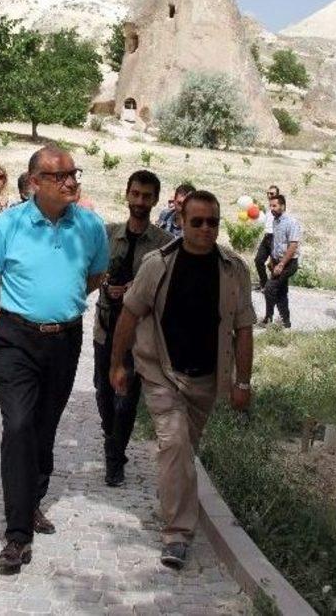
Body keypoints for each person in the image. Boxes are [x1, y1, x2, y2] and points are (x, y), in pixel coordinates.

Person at [0, 145, 109, 576]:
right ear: (36, 182)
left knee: (45, 425)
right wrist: (21, 309)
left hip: (65, 340)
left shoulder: (90, 225)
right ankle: (17, 536)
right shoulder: (8, 225)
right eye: (61, 176)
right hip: (16, 338)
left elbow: (95, 276)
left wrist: (60, 307)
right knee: (18, 425)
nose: (72, 181)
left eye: (75, 173)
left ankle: (32, 500)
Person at [109, 189, 255, 570]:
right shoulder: (158, 265)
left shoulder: (234, 269)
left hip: (207, 377)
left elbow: (244, 328)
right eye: (198, 222)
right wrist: (117, 364)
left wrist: (243, 382)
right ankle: (177, 533)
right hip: (161, 370)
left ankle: (179, 506)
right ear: (183, 222)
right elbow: (128, 315)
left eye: (213, 222)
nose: (206, 229)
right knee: (174, 444)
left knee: (185, 449)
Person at [94, 170, 172, 487]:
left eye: (147, 196)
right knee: (104, 393)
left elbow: (166, 291)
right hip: (105, 328)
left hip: (138, 335)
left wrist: (135, 293)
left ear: (154, 200)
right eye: (135, 194)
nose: (140, 201)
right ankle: (113, 442)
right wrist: (105, 284)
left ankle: (114, 460)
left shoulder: (164, 245)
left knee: (125, 399)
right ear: (127, 195)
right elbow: (91, 272)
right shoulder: (108, 235)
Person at [260, 194, 302, 329]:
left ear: (282, 206)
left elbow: (293, 245)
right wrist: (272, 260)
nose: (271, 208)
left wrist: (282, 264)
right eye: (270, 206)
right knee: (281, 292)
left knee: (269, 288)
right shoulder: (275, 221)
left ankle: (268, 319)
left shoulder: (291, 222)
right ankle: (286, 323)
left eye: (274, 206)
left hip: (289, 263)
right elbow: (277, 244)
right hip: (277, 262)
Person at [253, 184, 279, 291]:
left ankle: (274, 287)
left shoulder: (279, 207)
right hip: (267, 237)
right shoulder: (269, 207)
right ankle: (264, 284)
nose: (269, 195)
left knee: (274, 265)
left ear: (277, 195)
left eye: (272, 193)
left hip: (275, 237)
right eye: (267, 193)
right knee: (258, 260)